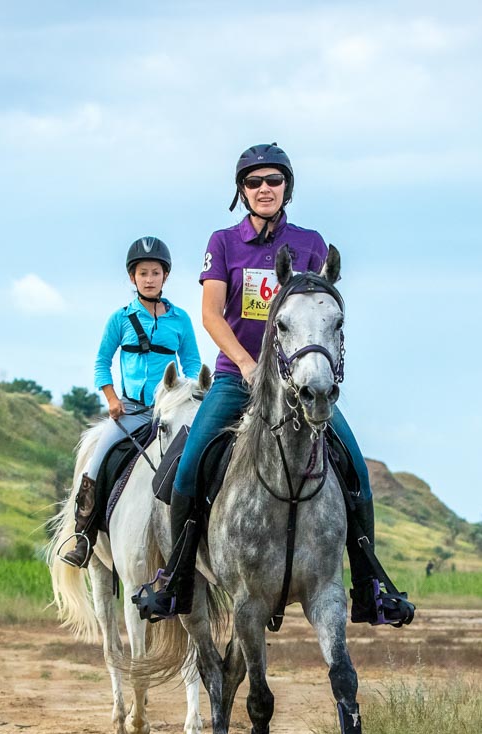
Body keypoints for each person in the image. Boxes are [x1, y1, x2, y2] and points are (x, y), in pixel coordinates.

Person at [135, 143, 415, 626]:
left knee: (355, 470)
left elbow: (321, 314)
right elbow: (210, 314)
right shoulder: (223, 243)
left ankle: (369, 587)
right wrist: (245, 365)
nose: (264, 189)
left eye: (273, 181)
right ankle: (177, 581)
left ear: (287, 187)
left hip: (299, 384)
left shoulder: (312, 243)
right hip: (235, 379)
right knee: (186, 468)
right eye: (254, 182)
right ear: (241, 192)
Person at [59, 236, 202, 568]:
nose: (149, 279)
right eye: (142, 273)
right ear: (132, 278)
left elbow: (192, 362)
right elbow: (101, 362)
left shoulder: (180, 320)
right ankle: (84, 536)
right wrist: (110, 398)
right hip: (131, 412)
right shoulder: (120, 319)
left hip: (169, 412)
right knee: (95, 464)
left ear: (165, 277)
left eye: (155, 272)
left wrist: (187, 391)